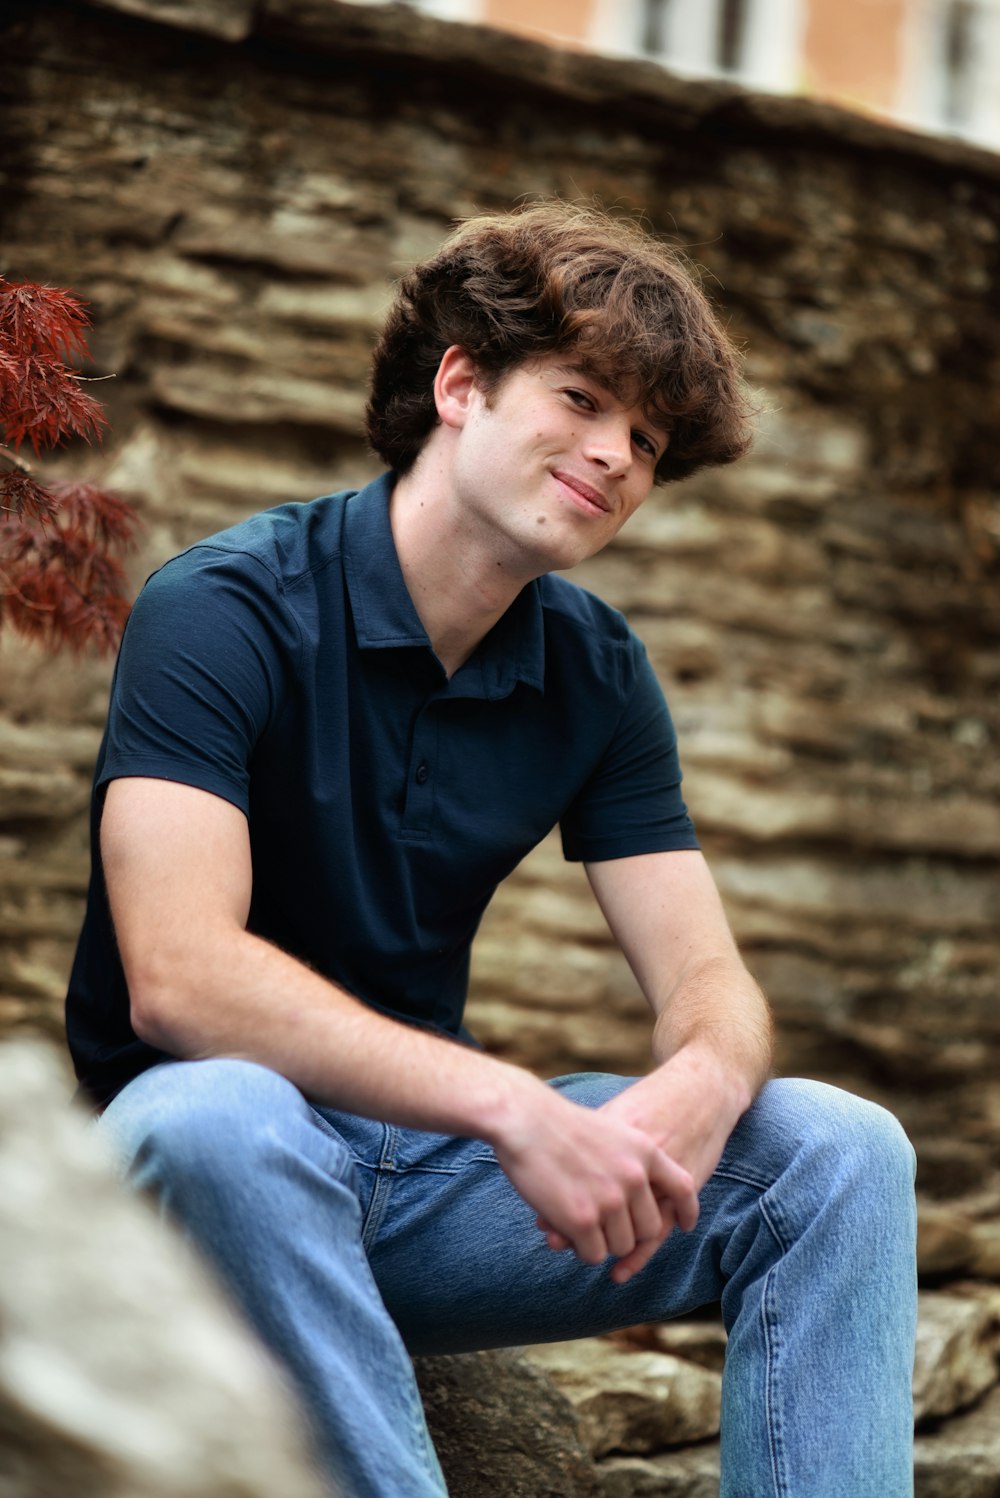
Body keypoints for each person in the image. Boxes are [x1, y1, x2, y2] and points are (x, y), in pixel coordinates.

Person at [66, 201, 917, 1498]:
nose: (616, 456)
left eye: (647, 439)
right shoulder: (223, 607)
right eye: (582, 398)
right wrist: (514, 1103)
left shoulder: (596, 671)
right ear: (458, 382)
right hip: (201, 1189)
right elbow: (179, 977)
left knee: (841, 1147)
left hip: (419, 1190)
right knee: (216, 1114)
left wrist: (699, 1079)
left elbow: (712, 983)